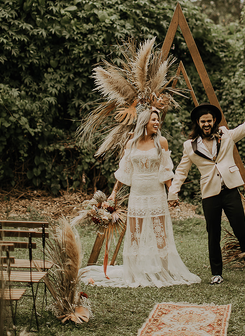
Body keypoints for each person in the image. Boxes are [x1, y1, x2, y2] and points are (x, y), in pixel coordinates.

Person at [80, 108, 201, 288]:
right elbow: (124, 172)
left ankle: (164, 271)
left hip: (156, 193)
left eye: (158, 120)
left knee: (160, 233)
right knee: (135, 233)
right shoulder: (131, 144)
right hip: (137, 193)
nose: (157, 122)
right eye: (153, 119)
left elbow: (166, 171)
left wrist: (172, 193)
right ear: (144, 121)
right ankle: (134, 271)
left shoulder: (161, 142)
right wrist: (113, 193)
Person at [168, 85, 245, 285]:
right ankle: (216, 273)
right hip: (210, 193)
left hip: (230, 190)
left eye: (209, 121)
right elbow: (181, 170)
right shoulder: (190, 146)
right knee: (213, 233)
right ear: (198, 123)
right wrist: (173, 192)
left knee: (241, 231)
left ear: (214, 121)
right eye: (203, 121)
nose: (206, 124)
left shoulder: (226, 135)